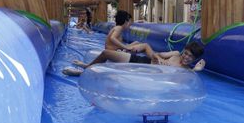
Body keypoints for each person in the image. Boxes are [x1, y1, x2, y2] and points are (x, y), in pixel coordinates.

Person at [64, 42, 206, 76]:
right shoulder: (175, 54)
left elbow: (187, 79)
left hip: (143, 73)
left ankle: (82, 73)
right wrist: (157, 57)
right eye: (186, 53)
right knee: (106, 53)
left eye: (190, 56)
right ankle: (86, 65)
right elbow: (158, 54)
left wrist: (197, 69)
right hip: (141, 61)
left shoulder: (187, 70)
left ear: (194, 59)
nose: (186, 57)